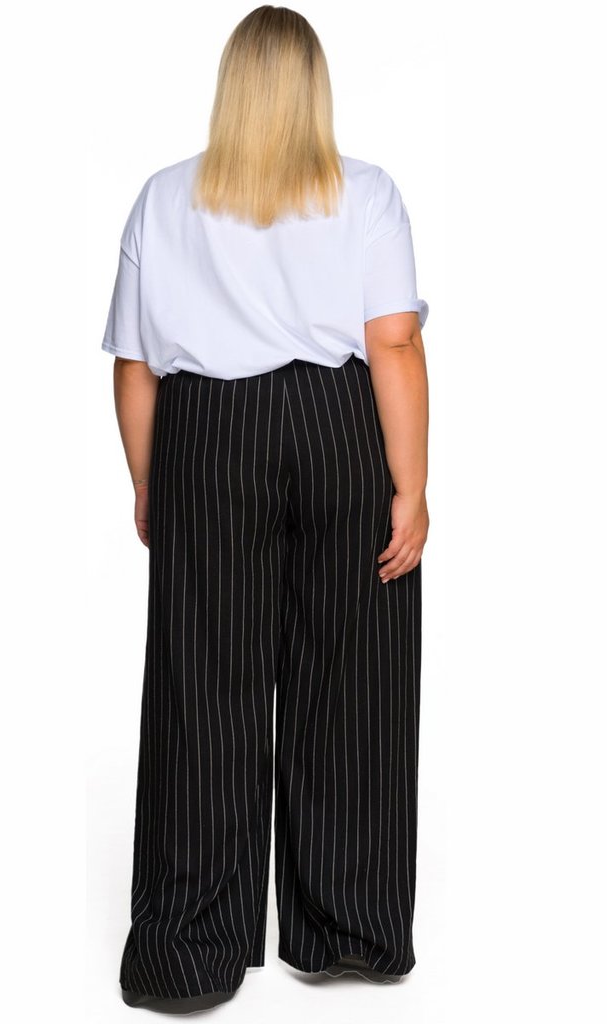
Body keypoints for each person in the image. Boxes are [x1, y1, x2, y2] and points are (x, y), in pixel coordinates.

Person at [101, 4, 430, 1014]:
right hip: (340, 429)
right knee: (354, 670)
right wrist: (411, 487)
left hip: (208, 433)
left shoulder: (164, 198)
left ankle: (189, 947)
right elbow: (393, 344)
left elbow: (134, 364)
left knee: (204, 679)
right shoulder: (366, 194)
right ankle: (350, 929)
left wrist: (150, 479)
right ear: (314, 90)